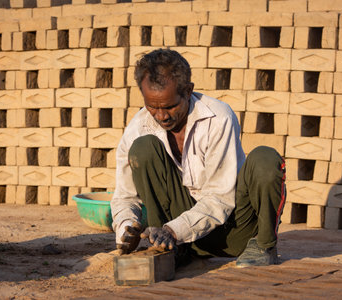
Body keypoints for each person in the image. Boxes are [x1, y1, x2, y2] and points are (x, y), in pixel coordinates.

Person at [110, 48, 286, 267]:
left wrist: (174, 230)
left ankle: (264, 246)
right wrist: (127, 228)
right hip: (174, 238)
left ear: (188, 91)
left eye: (171, 106)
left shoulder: (218, 117)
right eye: (152, 107)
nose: (162, 116)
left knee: (265, 160)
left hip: (232, 232)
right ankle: (167, 251)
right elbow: (125, 196)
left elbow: (220, 198)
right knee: (143, 148)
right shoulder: (139, 126)